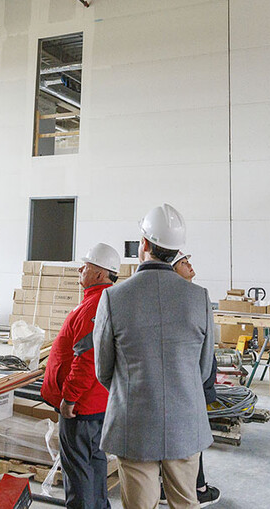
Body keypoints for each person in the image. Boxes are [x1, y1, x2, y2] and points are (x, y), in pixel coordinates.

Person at [94, 204, 214, 509]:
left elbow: (103, 369)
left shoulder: (113, 297)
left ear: (143, 245)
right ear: (176, 250)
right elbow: (203, 369)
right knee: (186, 503)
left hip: (134, 422)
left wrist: (133, 387)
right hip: (185, 421)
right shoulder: (198, 297)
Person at [41, 243, 120, 509]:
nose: (80, 269)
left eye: (85, 266)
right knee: (94, 463)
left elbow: (86, 360)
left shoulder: (94, 306)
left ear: (99, 273)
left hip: (82, 407)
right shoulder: (105, 300)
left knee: (78, 472)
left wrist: (69, 398)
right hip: (98, 402)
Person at [159, 251, 220, 507]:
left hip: (197, 377)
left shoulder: (194, 296)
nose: (190, 266)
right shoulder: (179, 300)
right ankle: (197, 486)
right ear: (173, 270)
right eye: (184, 263)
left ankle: (190, 485)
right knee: (189, 436)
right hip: (188, 380)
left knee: (191, 436)